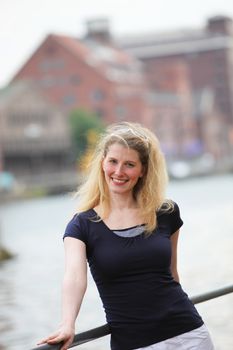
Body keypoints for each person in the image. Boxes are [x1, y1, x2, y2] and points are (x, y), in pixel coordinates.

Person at [38, 121, 214, 350]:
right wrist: (67, 324)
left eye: (129, 164)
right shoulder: (81, 225)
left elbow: (171, 273)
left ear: (142, 171)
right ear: (102, 163)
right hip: (134, 344)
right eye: (113, 161)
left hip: (189, 334)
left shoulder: (166, 212)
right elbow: (74, 278)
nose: (119, 172)